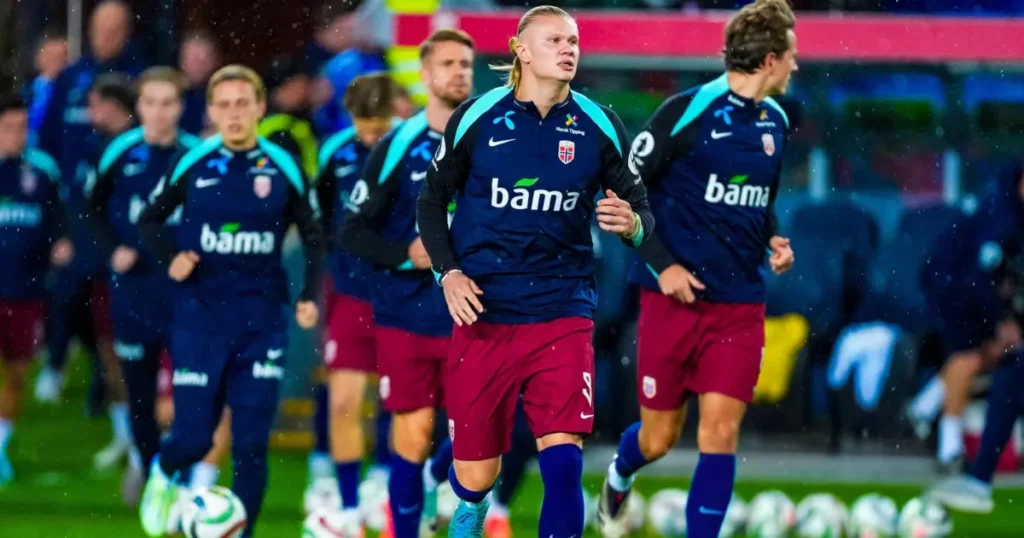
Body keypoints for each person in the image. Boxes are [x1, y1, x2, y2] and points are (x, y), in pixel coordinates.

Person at [417, 7, 654, 538]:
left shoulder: (600, 125)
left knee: (563, 457)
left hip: (563, 308)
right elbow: (430, 203)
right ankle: (470, 509)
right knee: (475, 477)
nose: (569, 48)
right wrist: (448, 275)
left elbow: (643, 211)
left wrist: (633, 223)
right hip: (485, 309)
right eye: (554, 40)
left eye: (573, 40)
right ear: (521, 49)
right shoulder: (475, 118)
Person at [593, 2, 798, 537]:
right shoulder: (686, 112)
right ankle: (619, 474)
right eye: (792, 56)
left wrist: (772, 237)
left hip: (740, 305)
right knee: (659, 438)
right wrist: (663, 266)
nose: (796, 67)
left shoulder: (777, 121)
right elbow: (624, 194)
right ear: (771, 59)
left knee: (721, 432)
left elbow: (760, 203)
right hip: (671, 301)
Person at [136, 64, 324, 538]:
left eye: (244, 104)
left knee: (251, 443)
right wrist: (171, 255)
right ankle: (164, 469)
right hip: (200, 320)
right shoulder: (193, 162)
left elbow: (315, 232)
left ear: (260, 108)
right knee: (195, 436)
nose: (235, 113)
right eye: (224, 105)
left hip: (263, 321)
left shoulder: (283, 165)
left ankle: (241, 531)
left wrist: (306, 294)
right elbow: (150, 219)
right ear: (212, 112)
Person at [341, 29, 474, 538]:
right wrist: (405, 254)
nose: (458, 72)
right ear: (424, 75)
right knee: (414, 435)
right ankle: (408, 527)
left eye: (465, 63)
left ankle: (439, 487)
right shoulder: (396, 144)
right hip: (408, 312)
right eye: (447, 64)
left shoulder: (492, 137)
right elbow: (353, 230)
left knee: (482, 433)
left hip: (476, 313)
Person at [83, 67, 232, 505]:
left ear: (180, 107)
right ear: (139, 106)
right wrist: (112, 249)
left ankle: (184, 477)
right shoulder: (118, 153)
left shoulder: (198, 154)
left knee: (193, 390)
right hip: (133, 291)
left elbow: (222, 212)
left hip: (186, 295)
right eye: (151, 103)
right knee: (139, 394)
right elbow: (88, 208)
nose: (159, 112)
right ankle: (151, 475)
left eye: (169, 103)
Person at [313, 72, 403, 532]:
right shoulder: (335, 153)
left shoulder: (413, 151)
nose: (371, 135)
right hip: (349, 293)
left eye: (379, 124)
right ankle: (349, 509)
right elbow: (321, 217)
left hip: (402, 294)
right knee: (345, 401)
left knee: (399, 400)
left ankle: (386, 483)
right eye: (364, 125)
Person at [909, 161, 1024, 474]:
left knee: (1001, 350)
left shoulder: (1013, 207)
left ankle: (926, 404)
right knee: (968, 358)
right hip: (951, 284)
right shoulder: (1000, 212)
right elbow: (978, 274)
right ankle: (949, 450)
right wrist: (1001, 320)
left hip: (969, 286)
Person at [0, 95, 73, 486]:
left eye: (21, 127)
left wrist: (61, 244)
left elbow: (60, 221)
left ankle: (0, 449)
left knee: (16, 374)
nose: (16, 135)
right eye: (7, 127)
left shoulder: (42, 169)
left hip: (27, 290)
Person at [259, 55, 318, 179]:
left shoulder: (297, 119)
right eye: (301, 85)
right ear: (287, 86)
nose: (307, 90)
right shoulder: (280, 129)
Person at [25, 32, 68, 148]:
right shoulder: (25, 92)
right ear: (39, 57)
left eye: (60, 57)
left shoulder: (72, 94)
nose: (55, 62)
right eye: (50, 56)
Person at [178, 30, 221, 135]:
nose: (199, 65)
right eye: (194, 58)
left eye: (205, 59)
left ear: (214, 61)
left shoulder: (219, 95)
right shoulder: (168, 91)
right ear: (182, 59)